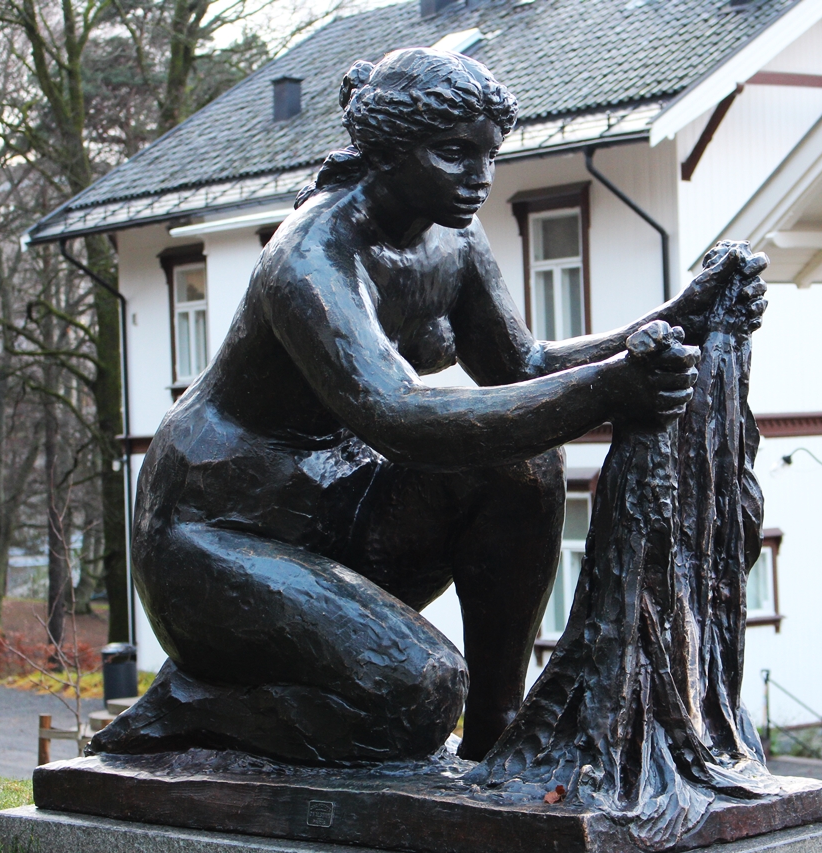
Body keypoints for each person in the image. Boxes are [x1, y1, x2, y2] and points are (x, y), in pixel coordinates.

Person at [92, 47, 766, 766]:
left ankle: (499, 731)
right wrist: (610, 388)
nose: (480, 177)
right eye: (453, 154)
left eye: (488, 155)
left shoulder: (455, 238)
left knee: (526, 463)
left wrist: (682, 317)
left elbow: (524, 366)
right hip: (215, 536)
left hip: (335, 511)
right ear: (386, 150)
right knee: (419, 691)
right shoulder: (311, 259)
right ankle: (197, 702)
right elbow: (399, 417)